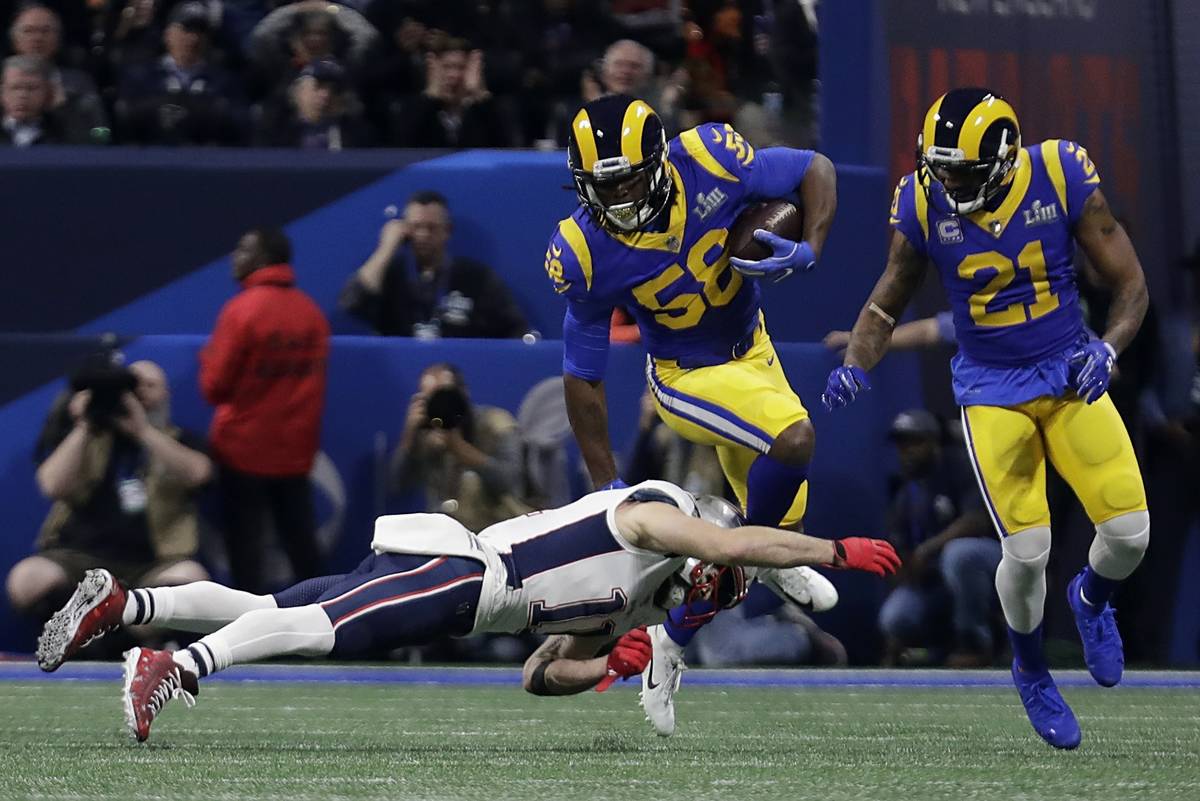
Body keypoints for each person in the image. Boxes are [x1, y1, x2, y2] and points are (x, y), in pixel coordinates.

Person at [36, 480, 899, 742]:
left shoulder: (635, 593)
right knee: (323, 631)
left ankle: (129, 603)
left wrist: (606, 663)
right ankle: (173, 665)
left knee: (274, 607)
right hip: (466, 570)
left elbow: (536, 674)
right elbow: (732, 545)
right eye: (715, 576)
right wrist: (828, 551)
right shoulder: (651, 515)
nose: (707, 588)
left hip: (464, 594)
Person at [823, 88, 1151, 749]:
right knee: (1026, 552)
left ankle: (1090, 598)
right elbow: (887, 302)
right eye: (938, 167)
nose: (946, 181)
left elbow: (1131, 283)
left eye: (961, 171)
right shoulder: (921, 202)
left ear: (1003, 163)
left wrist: (1106, 347)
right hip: (991, 389)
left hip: (1064, 373)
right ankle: (1030, 668)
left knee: (1131, 535)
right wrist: (859, 359)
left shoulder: (1060, 173)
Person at [541, 93, 837, 734]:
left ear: (657, 161)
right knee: (793, 438)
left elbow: (816, 168)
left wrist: (810, 245)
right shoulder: (583, 249)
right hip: (686, 376)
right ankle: (753, 559)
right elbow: (582, 376)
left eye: (628, 181)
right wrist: (606, 487)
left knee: (779, 529)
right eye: (603, 186)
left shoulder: (710, 157)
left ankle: (671, 642)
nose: (617, 200)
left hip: (753, 347)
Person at [8, 357, 210, 643]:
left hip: (153, 563)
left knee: (192, 579)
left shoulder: (179, 439)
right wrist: (86, 424)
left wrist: (143, 431)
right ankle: (77, 635)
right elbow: (51, 485)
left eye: (149, 386)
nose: (139, 395)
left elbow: (199, 473)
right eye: (133, 387)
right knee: (27, 579)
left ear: (166, 393)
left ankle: (136, 636)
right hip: (79, 558)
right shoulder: (89, 437)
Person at [200, 227, 330, 594]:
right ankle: (322, 627)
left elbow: (214, 387)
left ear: (263, 258)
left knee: (246, 554)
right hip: (296, 453)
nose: (234, 256)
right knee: (303, 547)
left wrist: (207, 360)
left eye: (243, 249)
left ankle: (246, 634)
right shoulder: (312, 313)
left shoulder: (241, 310)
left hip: (243, 451)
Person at [876, 409, 997, 667]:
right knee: (895, 617)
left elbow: (977, 521)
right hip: (936, 580)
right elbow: (900, 550)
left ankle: (975, 643)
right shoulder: (906, 493)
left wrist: (927, 550)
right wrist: (903, 568)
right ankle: (939, 647)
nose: (906, 450)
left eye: (915, 441)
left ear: (934, 442)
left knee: (961, 554)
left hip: (991, 566)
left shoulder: (961, 467)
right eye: (901, 443)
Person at [340, 190, 528, 338]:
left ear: (448, 230)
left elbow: (515, 329)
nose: (423, 235)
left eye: (431, 228)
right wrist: (386, 248)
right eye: (415, 227)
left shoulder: (476, 277)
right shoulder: (389, 274)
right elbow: (352, 303)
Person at [390, 363, 526, 532]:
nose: (439, 405)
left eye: (443, 395)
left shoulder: (496, 424)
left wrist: (459, 447)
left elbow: (511, 483)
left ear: (463, 393)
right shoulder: (426, 430)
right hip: (446, 532)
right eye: (430, 398)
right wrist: (409, 435)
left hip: (496, 529)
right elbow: (397, 484)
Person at [115, 2, 247, 146]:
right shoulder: (142, 77)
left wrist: (191, 109)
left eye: (200, 31)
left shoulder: (224, 82)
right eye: (186, 29)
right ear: (168, 34)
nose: (193, 38)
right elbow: (123, 120)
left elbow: (240, 124)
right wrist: (160, 107)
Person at [7, 3, 108, 143]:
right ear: (14, 40)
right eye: (29, 31)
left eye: (45, 31)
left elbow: (102, 133)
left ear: (58, 38)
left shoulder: (79, 83)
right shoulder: (3, 77)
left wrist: (66, 111)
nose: (38, 38)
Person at [388, 38, 515, 148]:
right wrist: (431, 96)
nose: (454, 75)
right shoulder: (412, 107)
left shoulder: (485, 110)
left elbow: (505, 147)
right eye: (446, 67)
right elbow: (402, 146)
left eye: (461, 67)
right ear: (432, 68)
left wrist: (480, 94)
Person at [253, 58, 374, 149]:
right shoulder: (274, 132)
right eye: (318, 86)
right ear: (298, 92)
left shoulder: (358, 136)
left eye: (335, 90)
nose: (326, 95)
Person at [0, 54, 70, 145]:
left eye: (31, 88)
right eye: (15, 88)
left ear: (48, 93)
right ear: (2, 93)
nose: (23, 95)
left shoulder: (65, 131)